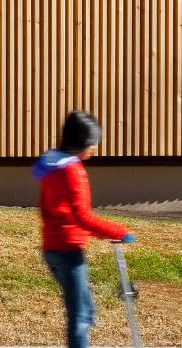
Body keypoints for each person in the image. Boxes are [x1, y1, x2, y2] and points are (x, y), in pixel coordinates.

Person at [32, 110, 134, 348]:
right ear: (81, 142)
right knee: (79, 318)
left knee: (85, 311)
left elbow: (53, 211)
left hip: (53, 248)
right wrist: (118, 231)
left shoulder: (52, 167)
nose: (95, 147)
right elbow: (82, 216)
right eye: (93, 142)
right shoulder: (72, 171)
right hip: (68, 252)